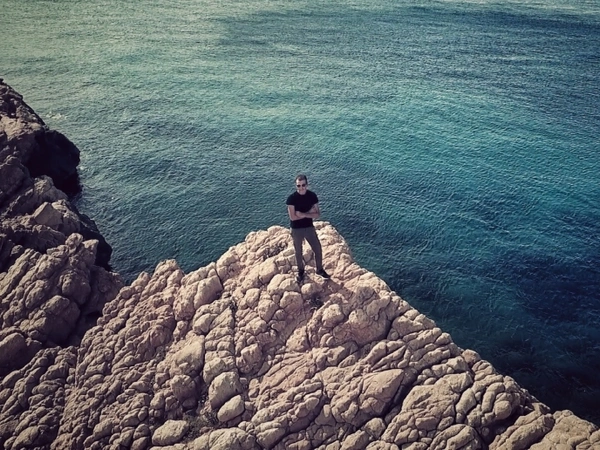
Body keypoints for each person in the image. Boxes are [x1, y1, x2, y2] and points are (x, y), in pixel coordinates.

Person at [286, 174, 331, 282]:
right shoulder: (291, 199)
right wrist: (310, 212)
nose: (301, 188)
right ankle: (301, 271)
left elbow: (317, 214)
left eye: (303, 185)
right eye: (298, 185)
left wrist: (303, 214)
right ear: (296, 186)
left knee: (318, 248)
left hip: (309, 227)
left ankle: (319, 269)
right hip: (296, 229)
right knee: (298, 252)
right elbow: (293, 217)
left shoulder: (312, 196)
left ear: (307, 184)